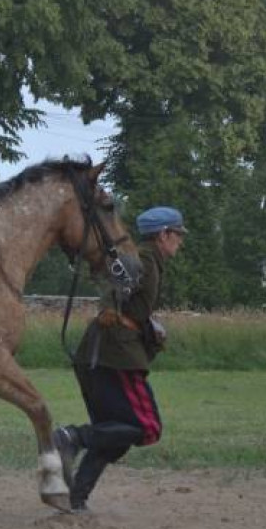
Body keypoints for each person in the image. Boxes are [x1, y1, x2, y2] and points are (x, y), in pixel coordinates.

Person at [55, 205, 186, 511]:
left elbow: (128, 300)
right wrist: (117, 313)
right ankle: (72, 436)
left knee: (115, 435)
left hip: (103, 355)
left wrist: (146, 325)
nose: (180, 241)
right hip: (114, 356)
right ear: (164, 234)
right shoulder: (140, 259)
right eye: (178, 234)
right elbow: (111, 288)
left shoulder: (147, 260)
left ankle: (76, 499)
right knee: (148, 427)